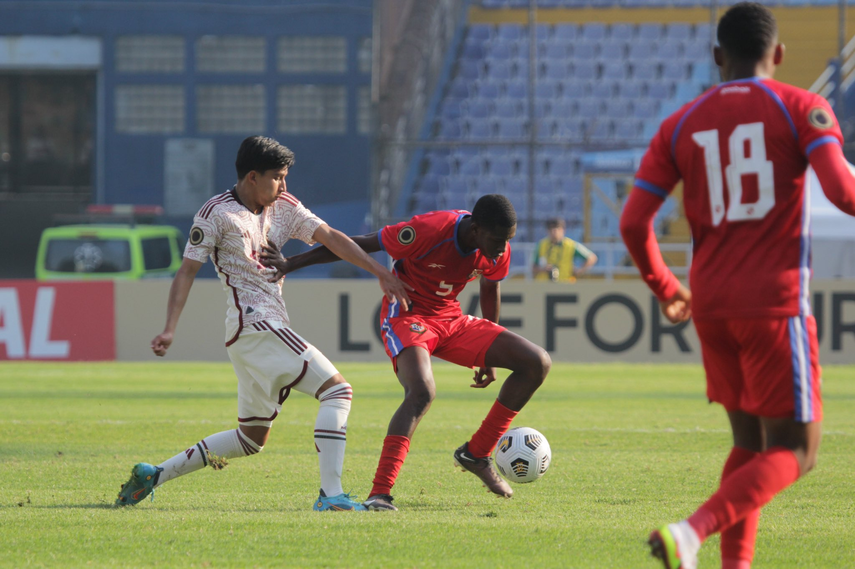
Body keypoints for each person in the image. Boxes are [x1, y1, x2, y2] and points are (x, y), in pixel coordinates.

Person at [620, 3, 855, 568]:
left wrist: (666, 285)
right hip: (774, 305)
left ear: (717, 56)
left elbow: (633, 223)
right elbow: (844, 193)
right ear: (777, 54)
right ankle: (691, 531)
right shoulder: (801, 106)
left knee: (749, 445)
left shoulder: (678, 124)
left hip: (711, 305)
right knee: (798, 450)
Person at [115, 136, 411, 512]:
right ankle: (331, 496)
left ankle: (154, 474)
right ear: (252, 177)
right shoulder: (215, 214)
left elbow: (332, 238)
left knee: (250, 439)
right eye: (278, 177)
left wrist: (377, 271)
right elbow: (187, 271)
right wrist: (170, 327)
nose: (284, 186)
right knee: (339, 392)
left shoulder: (283, 205)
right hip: (255, 324)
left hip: (253, 332)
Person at [260, 194, 551, 511]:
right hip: (407, 316)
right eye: (497, 240)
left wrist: (489, 355)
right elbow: (360, 243)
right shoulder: (430, 230)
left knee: (536, 362)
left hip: (451, 319)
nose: (501, 249)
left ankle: (477, 453)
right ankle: (379, 493)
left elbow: (490, 288)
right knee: (422, 392)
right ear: (476, 229)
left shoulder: (497, 249)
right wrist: (293, 263)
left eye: (506, 240)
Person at [532, 217, 597, 282]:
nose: (553, 232)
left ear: (563, 230)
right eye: (550, 229)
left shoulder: (571, 245)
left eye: (557, 228)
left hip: (565, 285)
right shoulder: (541, 245)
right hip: (544, 286)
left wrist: (579, 271)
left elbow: (591, 258)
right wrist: (543, 269)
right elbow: (533, 267)